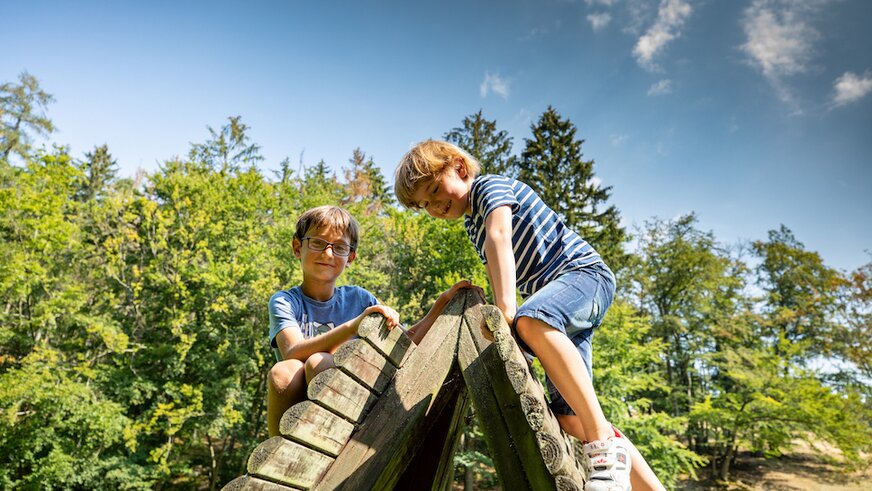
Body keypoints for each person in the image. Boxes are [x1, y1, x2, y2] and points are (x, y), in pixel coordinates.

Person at [394, 141, 664, 491]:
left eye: (433, 190)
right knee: (570, 415)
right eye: (424, 205)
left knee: (530, 320)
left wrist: (506, 313)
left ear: (460, 168)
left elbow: (500, 238)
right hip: (561, 305)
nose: (434, 207)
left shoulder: (490, 188)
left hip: (584, 275)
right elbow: (494, 259)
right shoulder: (472, 226)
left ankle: (604, 450)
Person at [267, 205, 476, 437]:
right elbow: (292, 352)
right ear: (298, 247)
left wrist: (440, 305)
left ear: (351, 257)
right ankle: (280, 450)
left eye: (339, 248)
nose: (328, 254)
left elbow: (403, 344)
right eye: (317, 243)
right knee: (285, 371)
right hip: (295, 412)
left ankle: (334, 438)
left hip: (348, 414)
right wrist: (354, 326)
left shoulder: (360, 299)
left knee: (320, 362)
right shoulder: (285, 301)